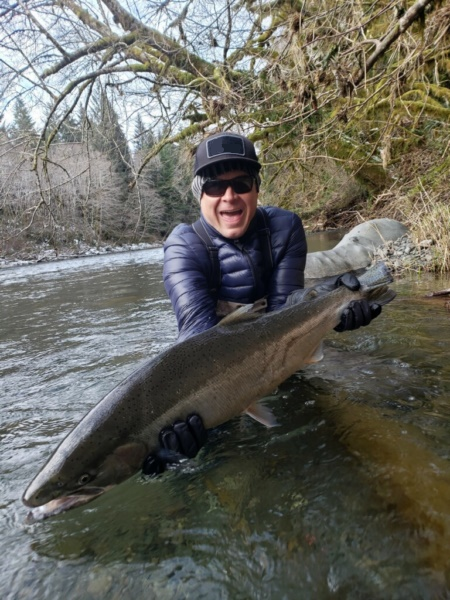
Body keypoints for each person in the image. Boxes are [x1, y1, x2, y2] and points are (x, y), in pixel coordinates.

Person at [142, 131, 381, 475]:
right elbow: (198, 339)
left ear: (256, 188)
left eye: (241, 183)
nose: (229, 197)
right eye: (214, 186)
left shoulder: (284, 228)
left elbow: (286, 317)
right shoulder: (182, 246)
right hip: (211, 361)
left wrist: (334, 311)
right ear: (200, 194)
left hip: (278, 349)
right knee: (202, 461)